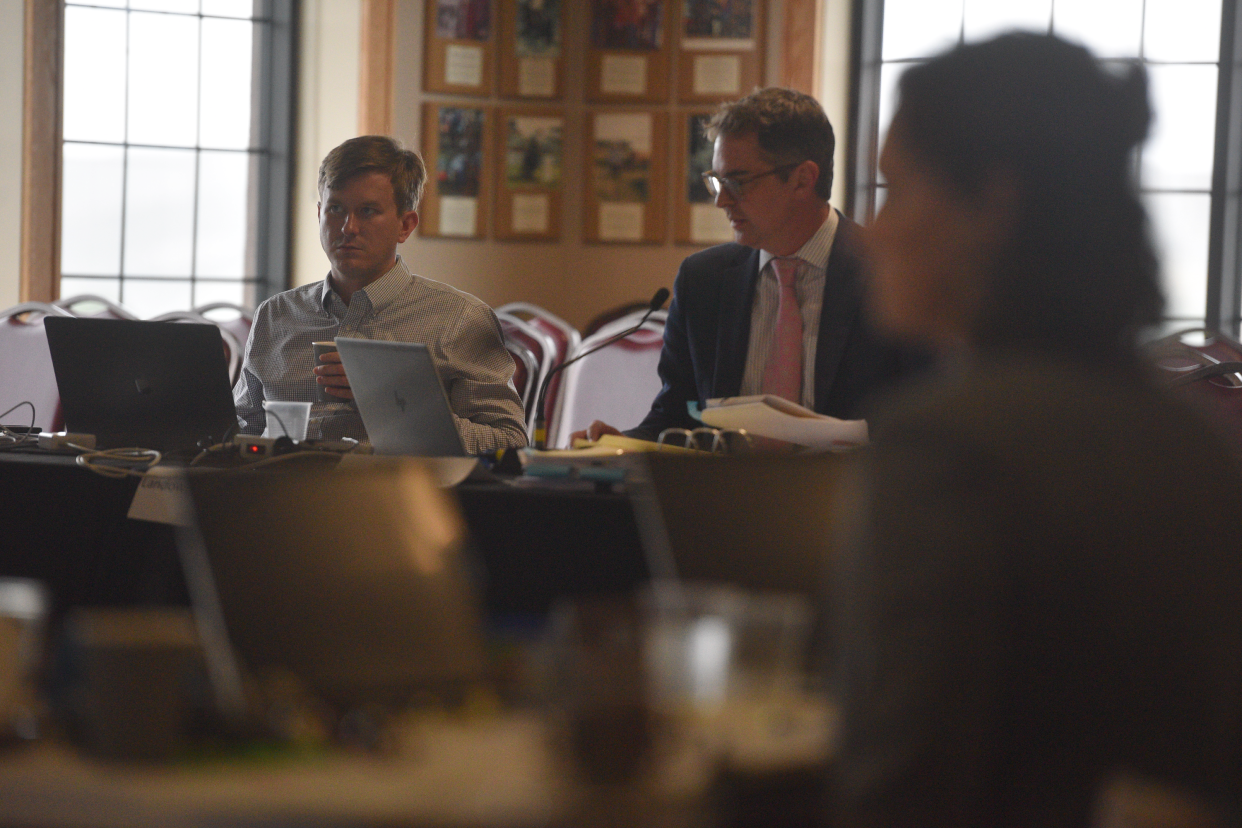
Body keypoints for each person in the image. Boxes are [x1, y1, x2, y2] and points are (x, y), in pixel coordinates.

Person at [832, 33, 1242, 826]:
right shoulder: (1191, 442)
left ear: (994, 204)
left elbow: (904, 790)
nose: (868, 232)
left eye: (898, 188)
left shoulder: (947, 445)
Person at [576, 87, 920, 444]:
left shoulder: (889, 274)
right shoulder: (703, 281)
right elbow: (676, 418)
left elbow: (920, 425)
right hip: (727, 496)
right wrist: (621, 443)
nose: (721, 200)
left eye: (738, 182)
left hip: (843, 496)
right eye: (717, 181)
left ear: (803, 179)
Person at [233, 135, 527, 454]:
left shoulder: (460, 319)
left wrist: (389, 401)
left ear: (405, 225)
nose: (348, 227)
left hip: (395, 498)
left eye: (368, 211)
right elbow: (241, 428)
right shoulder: (276, 315)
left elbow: (509, 442)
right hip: (286, 494)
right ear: (319, 214)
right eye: (335, 209)